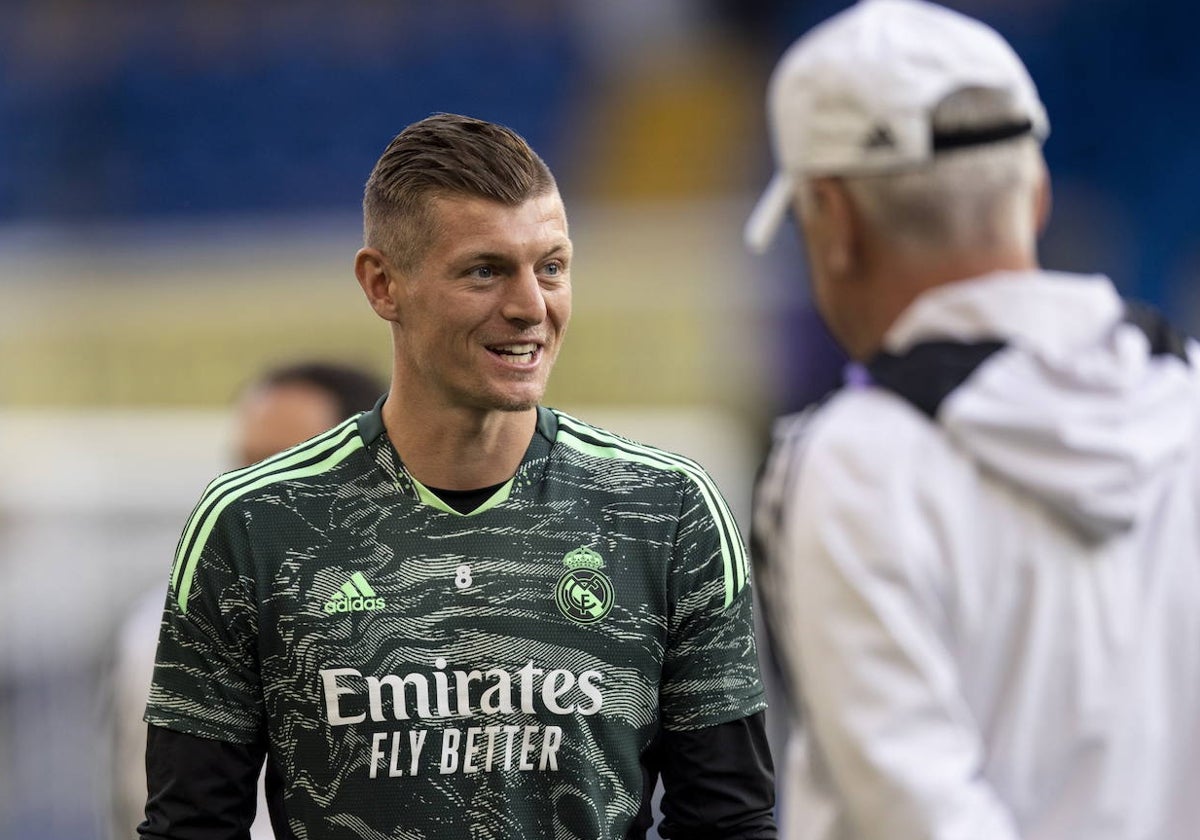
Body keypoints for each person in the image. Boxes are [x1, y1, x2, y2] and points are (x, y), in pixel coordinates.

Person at [140, 113, 776, 839]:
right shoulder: (253, 522)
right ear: (383, 285)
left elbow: (731, 821)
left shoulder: (668, 513)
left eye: (552, 266)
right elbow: (190, 827)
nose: (530, 307)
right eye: (485, 270)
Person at [745, 1, 1200, 839]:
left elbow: (915, 817)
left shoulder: (850, 461)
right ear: (1036, 196)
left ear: (834, 224)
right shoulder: (1187, 393)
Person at [108, 360, 386, 840]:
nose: (258, 489)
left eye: (286, 462)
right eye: (245, 463)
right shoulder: (168, 622)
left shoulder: (429, 608)